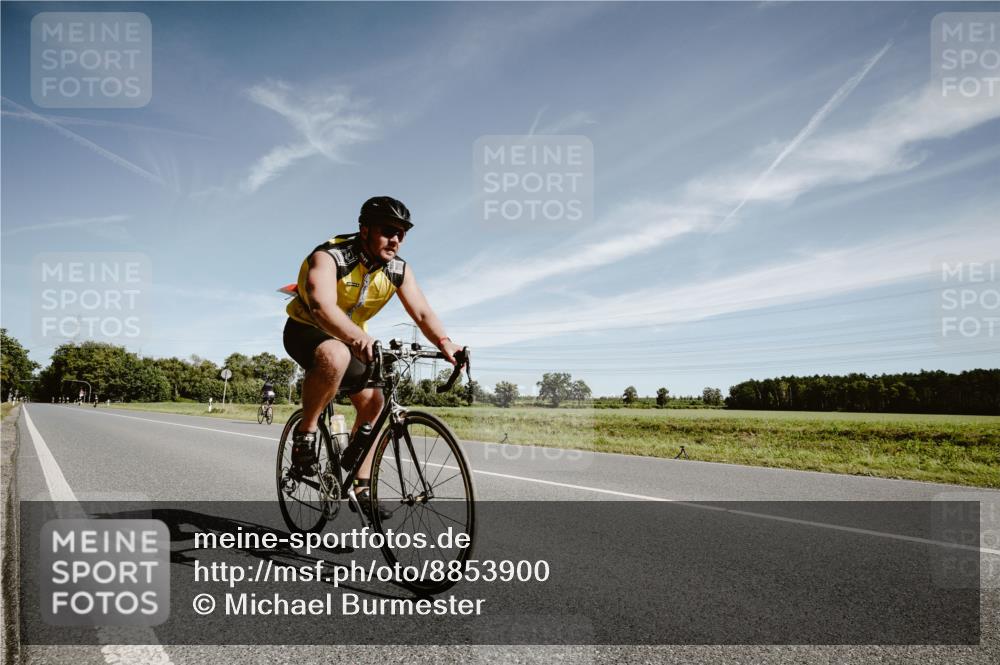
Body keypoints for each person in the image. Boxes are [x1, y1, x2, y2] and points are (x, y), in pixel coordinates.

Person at [282, 196, 466, 520]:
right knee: (335, 353)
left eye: (402, 233)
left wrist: (444, 342)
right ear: (364, 229)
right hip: (306, 329)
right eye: (387, 230)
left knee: (374, 401)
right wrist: (356, 337)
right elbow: (322, 306)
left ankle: (360, 484)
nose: (395, 239)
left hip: (352, 339)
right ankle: (305, 434)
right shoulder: (330, 256)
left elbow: (421, 311)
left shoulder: (397, 270)